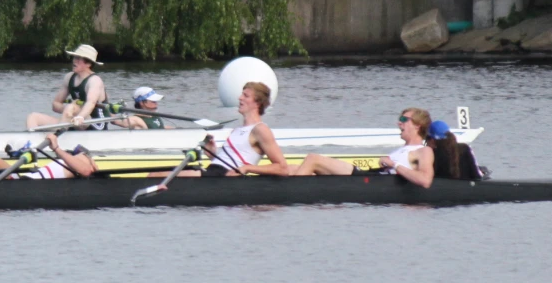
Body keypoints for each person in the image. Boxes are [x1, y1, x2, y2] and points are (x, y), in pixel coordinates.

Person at [155, 82, 289, 188]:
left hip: (223, 177)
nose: (239, 98)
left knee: (157, 175)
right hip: (214, 172)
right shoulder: (236, 130)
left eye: (246, 95)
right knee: (155, 174)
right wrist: (212, 154)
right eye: (242, 94)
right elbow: (227, 162)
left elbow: (282, 168)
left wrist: (247, 168)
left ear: (258, 103)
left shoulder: (260, 129)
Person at [290, 108, 436, 188]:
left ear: (417, 125)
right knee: (293, 168)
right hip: (369, 176)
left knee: (313, 159)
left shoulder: (423, 151)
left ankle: (291, 193)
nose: (399, 123)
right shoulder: (402, 149)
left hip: (369, 181)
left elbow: (425, 181)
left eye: (404, 120)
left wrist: (395, 165)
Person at [25, 44, 110, 130]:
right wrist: (68, 111)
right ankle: (32, 141)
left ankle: (55, 137)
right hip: (72, 120)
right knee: (33, 117)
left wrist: (79, 115)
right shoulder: (69, 77)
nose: (74, 61)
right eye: (74, 58)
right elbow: (56, 104)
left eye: (78, 59)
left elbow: (91, 103)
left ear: (88, 64)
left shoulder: (94, 81)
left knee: (71, 107)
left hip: (95, 124)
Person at [0, 134, 98, 179]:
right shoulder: (69, 160)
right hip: (26, 179)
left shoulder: (80, 161)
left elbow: (86, 171)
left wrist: (56, 148)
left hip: (26, 186)